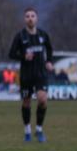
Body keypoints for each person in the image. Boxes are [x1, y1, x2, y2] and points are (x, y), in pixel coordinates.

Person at [8, 7, 53, 143]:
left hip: (41, 73)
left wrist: (49, 61)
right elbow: (11, 54)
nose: (30, 18)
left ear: (36, 18)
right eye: (27, 16)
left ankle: (39, 130)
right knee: (26, 102)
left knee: (42, 100)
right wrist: (24, 56)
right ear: (24, 19)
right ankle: (27, 131)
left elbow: (49, 49)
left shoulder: (43, 35)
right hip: (26, 75)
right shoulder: (20, 36)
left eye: (32, 16)